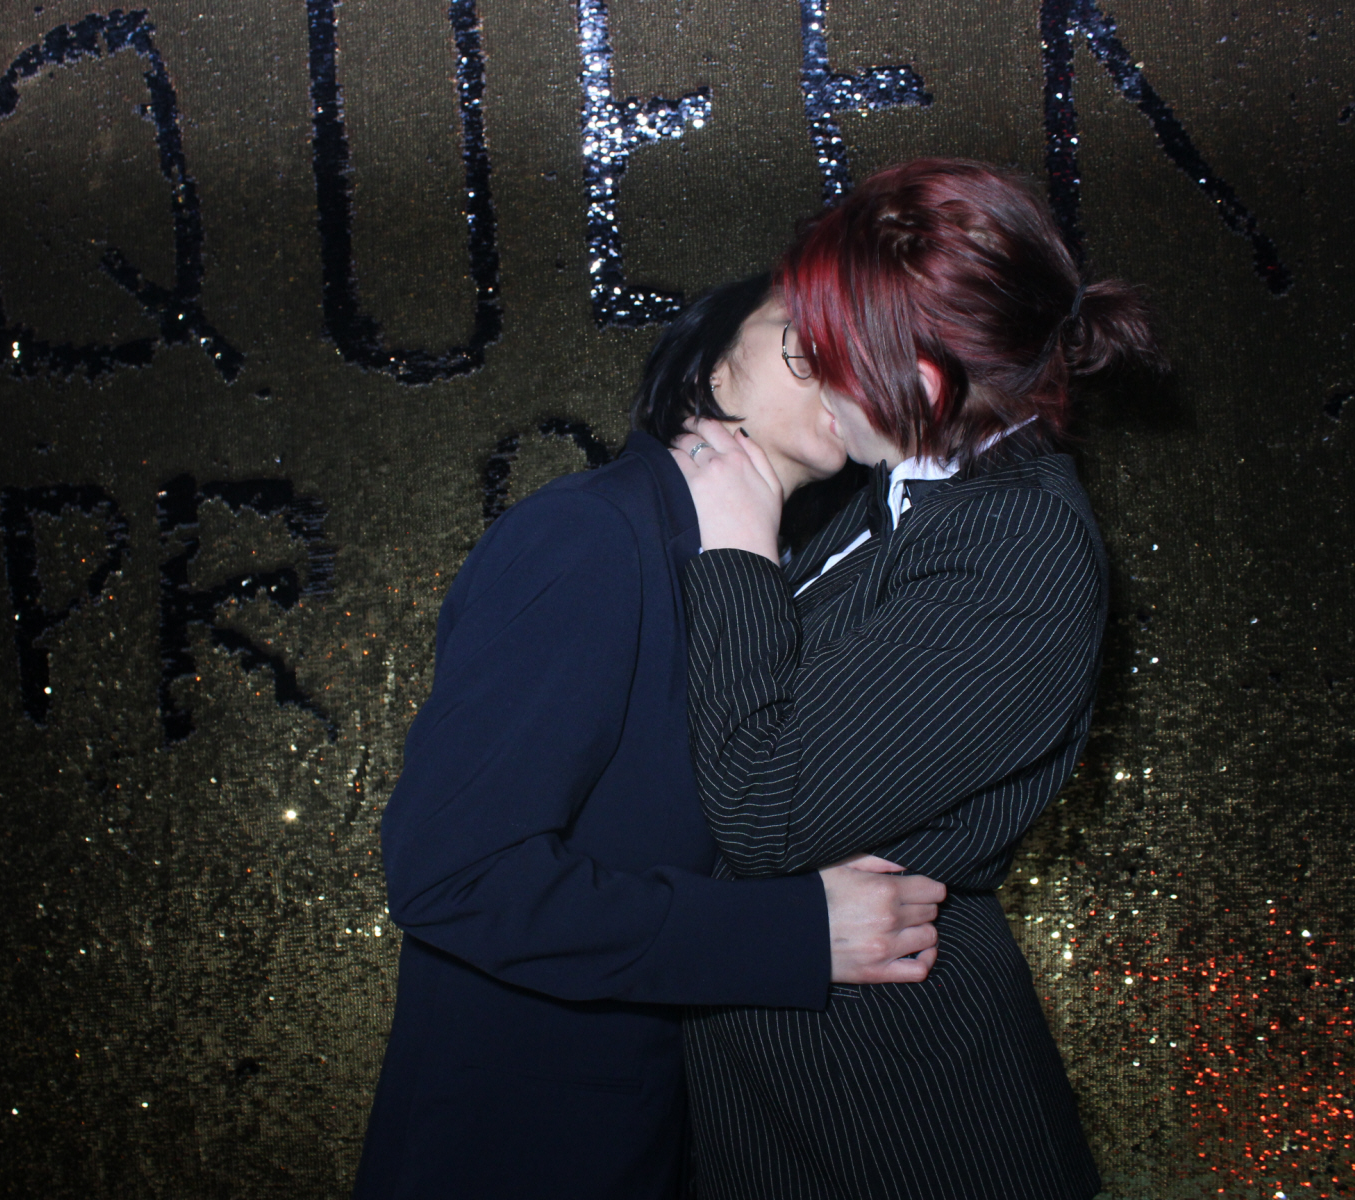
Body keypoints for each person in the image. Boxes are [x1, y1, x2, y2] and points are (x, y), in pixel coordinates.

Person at [354, 275, 949, 1200]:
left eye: (868, 348)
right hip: (521, 1151)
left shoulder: (769, 571)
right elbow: (455, 874)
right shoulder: (593, 534)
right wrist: (796, 931)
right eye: (806, 341)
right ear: (711, 367)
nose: (848, 368)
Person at [671, 159, 1163, 1198]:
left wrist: (739, 549)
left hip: (894, 1107)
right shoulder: (926, 486)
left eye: (825, 351)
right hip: (796, 1078)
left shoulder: (1016, 551)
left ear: (924, 387)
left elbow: (763, 806)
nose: (806, 368)